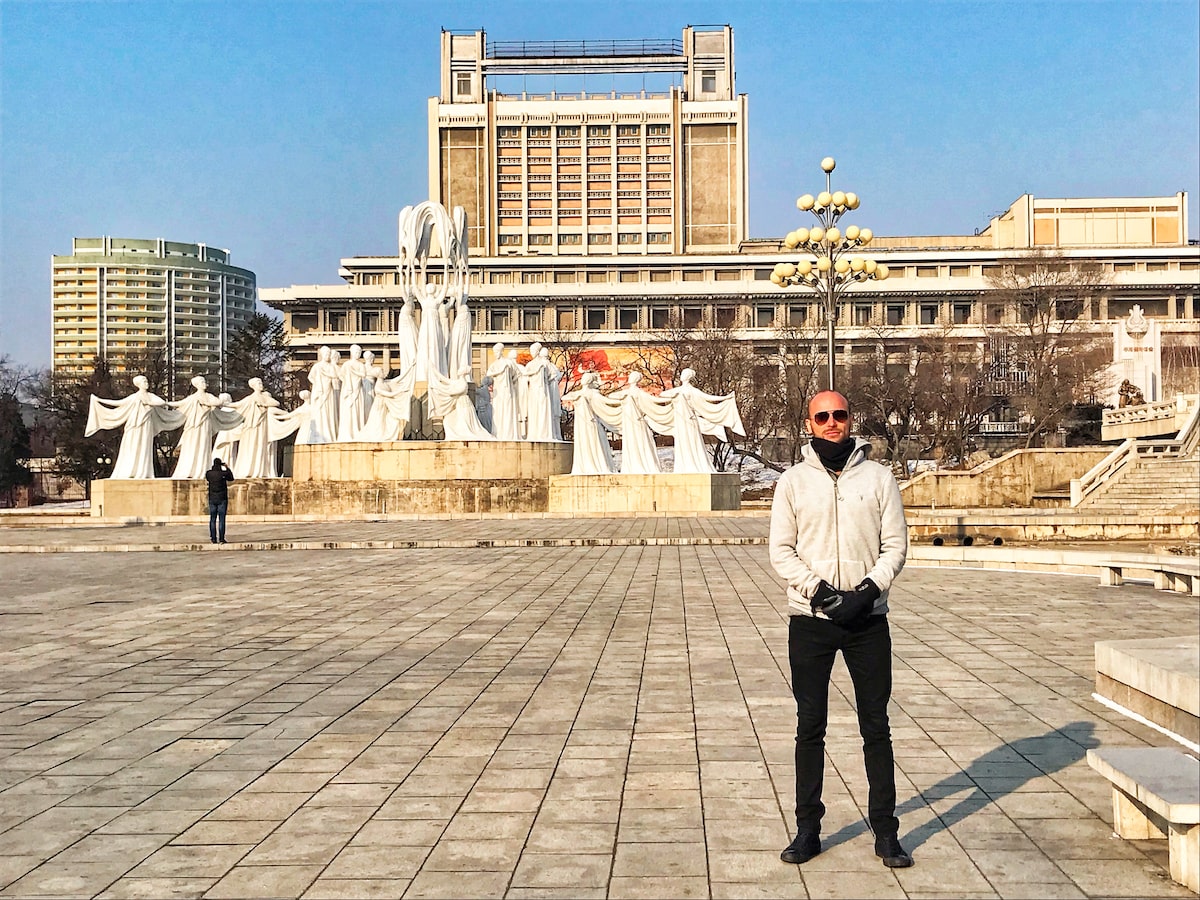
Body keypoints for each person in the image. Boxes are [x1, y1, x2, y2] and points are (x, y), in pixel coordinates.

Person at [769, 390, 911, 869]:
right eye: (822, 416)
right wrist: (823, 594)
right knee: (810, 727)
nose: (832, 422)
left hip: (868, 623)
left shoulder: (879, 477)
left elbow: (895, 546)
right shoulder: (791, 482)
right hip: (811, 622)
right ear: (809, 423)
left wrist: (868, 591)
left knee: (876, 726)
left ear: (851, 420)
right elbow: (781, 551)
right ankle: (808, 830)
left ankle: (886, 833)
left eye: (840, 414)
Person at [205, 457, 234, 544]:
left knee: (212, 519)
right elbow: (231, 478)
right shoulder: (223, 474)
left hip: (212, 499)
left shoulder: (209, 473)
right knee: (221, 519)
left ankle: (213, 538)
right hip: (222, 498)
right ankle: (221, 538)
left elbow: (207, 478)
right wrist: (227, 468)